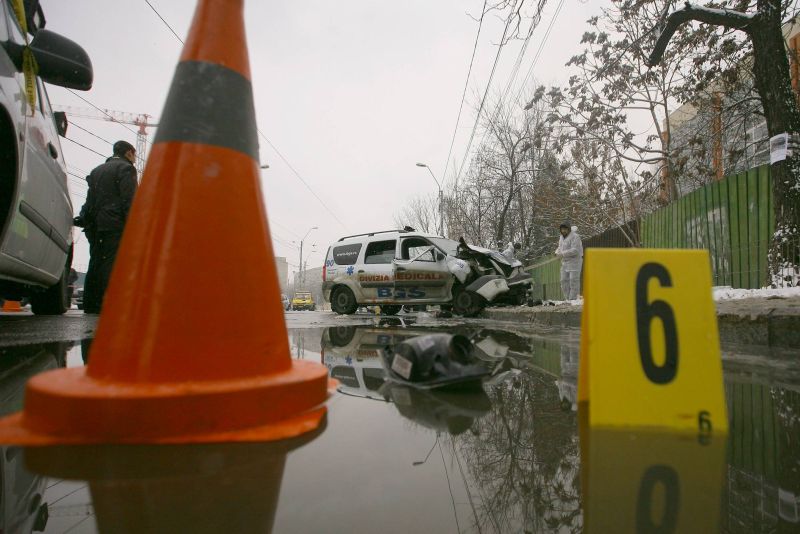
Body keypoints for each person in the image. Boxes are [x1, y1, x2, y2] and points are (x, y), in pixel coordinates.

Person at [74, 140, 138, 313]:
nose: (135, 159)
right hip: (114, 224)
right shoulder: (126, 169)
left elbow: (90, 200)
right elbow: (129, 200)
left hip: (94, 225)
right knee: (111, 262)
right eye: (134, 155)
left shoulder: (97, 170)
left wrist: (82, 218)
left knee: (95, 262)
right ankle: (107, 302)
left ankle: (91, 303)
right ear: (129, 153)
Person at [555, 223, 583, 300]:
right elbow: (560, 247)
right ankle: (567, 299)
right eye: (562, 229)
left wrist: (562, 254)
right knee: (563, 281)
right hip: (565, 262)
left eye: (565, 229)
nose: (563, 231)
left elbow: (575, 250)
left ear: (569, 229)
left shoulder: (575, 237)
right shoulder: (561, 237)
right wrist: (557, 252)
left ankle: (573, 299)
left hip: (574, 262)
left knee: (573, 281)